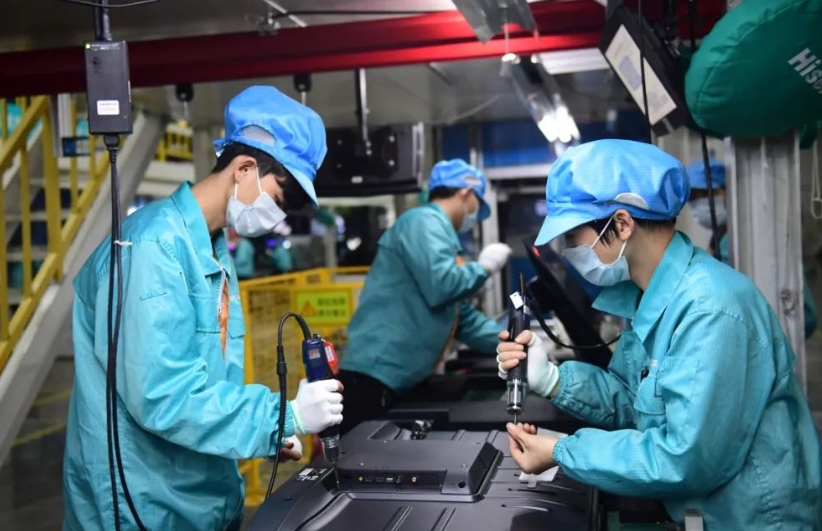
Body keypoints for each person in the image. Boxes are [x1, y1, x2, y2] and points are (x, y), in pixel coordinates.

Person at [496, 139, 822, 530]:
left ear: (621, 224)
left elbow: (685, 458)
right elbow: (634, 402)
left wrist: (562, 450)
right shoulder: (650, 296)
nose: (568, 250)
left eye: (572, 236)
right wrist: (551, 378)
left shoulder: (708, 310)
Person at [63, 86, 345, 531]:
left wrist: (263, 433)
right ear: (244, 168)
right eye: (280, 197)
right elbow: (163, 394)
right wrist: (282, 416)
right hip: (145, 506)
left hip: (197, 494)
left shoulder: (210, 249)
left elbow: (206, 379)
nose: (279, 215)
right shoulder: (154, 246)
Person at [338, 159, 512, 434]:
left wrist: (511, 343)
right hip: (374, 376)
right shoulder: (423, 222)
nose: (476, 215)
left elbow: (461, 317)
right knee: (359, 456)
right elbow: (442, 286)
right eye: (478, 205)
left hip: (398, 379)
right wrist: (484, 268)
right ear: (466, 193)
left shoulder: (439, 237)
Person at [687, 158, 818, 339]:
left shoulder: (745, 238)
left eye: (704, 194)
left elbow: (804, 316)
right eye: (692, 198)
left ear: (728, 192)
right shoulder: (719, 240)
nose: (698, 204)